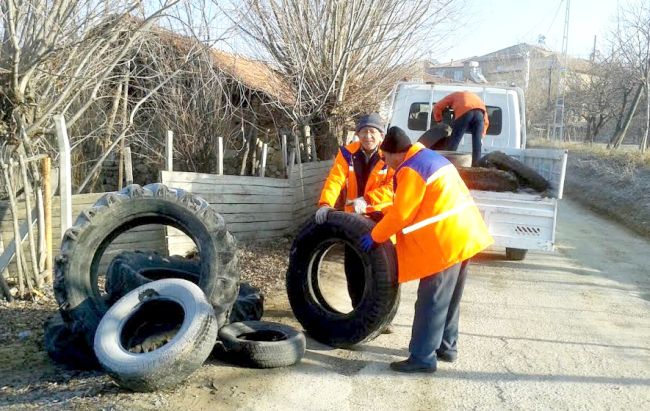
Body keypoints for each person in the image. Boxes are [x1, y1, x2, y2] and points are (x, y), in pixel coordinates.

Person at [360, 126, 493, 373]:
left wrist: (375, 236)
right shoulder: (430, 158)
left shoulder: (411, 169)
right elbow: (420, 204)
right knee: (449, 299)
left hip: (444, 241)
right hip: (465, 234)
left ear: (395, 153)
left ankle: (422, 357)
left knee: (431, 301)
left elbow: (402, 213)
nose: (386, 164)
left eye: (386, 158)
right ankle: (446, 347)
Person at [316, 113, 395, 308]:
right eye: (364, 131)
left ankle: (384, 315)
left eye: (373, 132)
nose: (368, 136)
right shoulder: (347, 154)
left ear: (381, 136)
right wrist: (325, 204)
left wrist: (367, 200)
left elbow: (393, 187)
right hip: (353, 222)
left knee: (384, 272)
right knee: (353, 268)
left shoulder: (390, 156)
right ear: (358, 134)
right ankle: (358, 311)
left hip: (380, 222)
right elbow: (335, 180)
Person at [433, 91, 490, 166]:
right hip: (480, 113)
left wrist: (439, 120)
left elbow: (437, 106)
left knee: (454, 141)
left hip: (465, 112)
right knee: (477, 144)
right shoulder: (475, 97)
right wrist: (482, 135)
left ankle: (447, 164)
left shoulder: (453, 95)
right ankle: (476, 166)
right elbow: (486, 120)